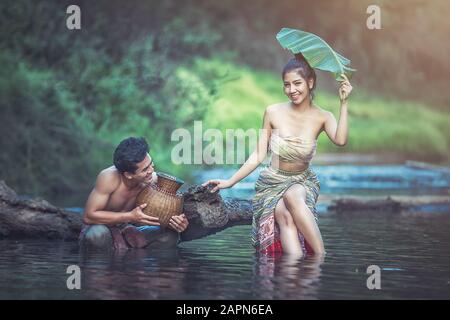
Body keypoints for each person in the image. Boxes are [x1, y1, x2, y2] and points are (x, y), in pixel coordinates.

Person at [203, 55, 352, 258]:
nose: (292, 90)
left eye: (297, 83)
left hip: (302, 181)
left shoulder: (323, 116)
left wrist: (344, 103)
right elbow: (258, 154)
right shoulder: (273, 112)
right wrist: (230, 182)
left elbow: (341, 140)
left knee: (292, 195)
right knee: (283, 214)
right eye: (287, 85)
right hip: (272, 181)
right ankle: (295, 272)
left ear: (310, 82)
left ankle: (321, 257)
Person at [79, 137, 189, 250]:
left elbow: (170, 210)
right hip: (101, 227)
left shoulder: (152, 180)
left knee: (170, 236)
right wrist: (130, 216)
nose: (151, 170)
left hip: (128, 229)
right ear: (128, 175)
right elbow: (88, 217)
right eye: (145, 169)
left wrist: (179, 222)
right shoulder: (108, 178)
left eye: (151, 164)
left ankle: (137, 262)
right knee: (97, 235)